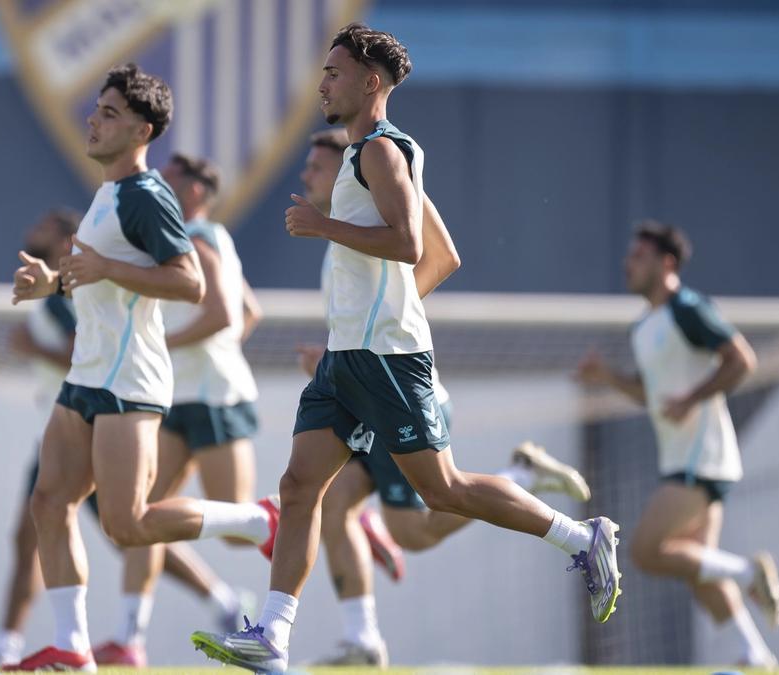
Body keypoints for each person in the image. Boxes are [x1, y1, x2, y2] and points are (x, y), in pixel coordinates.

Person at [191, 24, 621, 673]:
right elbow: (444, 256)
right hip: (350, 357)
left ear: (371, 82)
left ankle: (581, 535)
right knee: (300, 485)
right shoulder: (379, 152)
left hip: (385, 362)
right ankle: (272, 634)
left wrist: (321, 228)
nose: (322, 83)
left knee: (440, 493)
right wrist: (378, 310)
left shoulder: (380, 154)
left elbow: (412, 248)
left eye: (334, 72)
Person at [5, 63, 277, 672]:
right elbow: (98, 280)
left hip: (130, 382)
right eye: (96, 109)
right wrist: (49, 282)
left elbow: (189, 282)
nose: (93, 120)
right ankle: (73, 647)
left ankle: (258, 519)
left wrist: (104, 270)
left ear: (142, 130)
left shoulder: (149, 195)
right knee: (50, 504)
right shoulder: (108, 194)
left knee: (128, 527)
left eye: (109, 113)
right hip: (88, 377)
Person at [295, 131, 593, 667]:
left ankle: (538, 494)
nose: (308, 178)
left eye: (318, 167)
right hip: (365, 385)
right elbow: (424, 269)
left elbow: (437, 254)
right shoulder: (348, 224)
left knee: (422, 521)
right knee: (326, 500)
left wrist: (377, 324)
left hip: (394, 388)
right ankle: (360, 638)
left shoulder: (381, 170)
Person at [0, 211, 255, 667]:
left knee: (131, 527)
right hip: (63, 427)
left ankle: (234, 572)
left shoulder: (73, 293)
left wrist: (34, 348)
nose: (34, 228)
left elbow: (86, 355)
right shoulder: (59, 291)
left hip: (92, 426)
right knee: (37, 528)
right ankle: (17, 642)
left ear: (68, 240)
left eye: (46, 225)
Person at [576, 220, 779, 668]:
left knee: (646, 552)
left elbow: (741, 360)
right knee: (699, 568)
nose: (627, 263)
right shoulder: (644, 327)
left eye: (639, 256)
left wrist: (692, 398)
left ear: (666, 263)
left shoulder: (688, 308)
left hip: (702, 459)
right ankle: (755, 654)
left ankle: (749, 573)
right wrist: (607, 377)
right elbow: (651, 395)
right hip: (683, 458)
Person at [91, 153, 263, 667]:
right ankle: (128, 637)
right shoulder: (201, 238)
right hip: (180, 395)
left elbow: (225, 315)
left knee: (238, 531)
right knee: (143, 515)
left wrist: (168, 345)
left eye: (171, 181)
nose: (161, 187)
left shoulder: (199, 237)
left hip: (213, 397)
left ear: (193, 191)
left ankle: (275, 517)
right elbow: (249, 313)